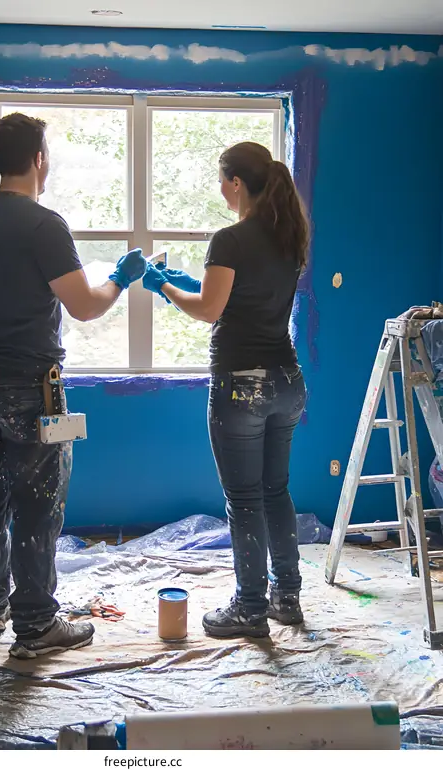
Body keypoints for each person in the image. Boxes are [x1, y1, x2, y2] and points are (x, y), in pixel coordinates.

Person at [0, 113, 146, 658]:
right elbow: (85, 306)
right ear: (38, 159)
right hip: (31, 388)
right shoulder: (43, 225)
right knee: (37, 504)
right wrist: (119, 279)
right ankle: (34, 627)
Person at [143, 142, 309, 639]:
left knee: (244, 498)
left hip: (242, 385)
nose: (220, 190)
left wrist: (164, 287)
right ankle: (287, 598)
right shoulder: (288, 235)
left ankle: (250, 609)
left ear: (237, 183)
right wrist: (183, 282)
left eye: (221, 180)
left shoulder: (230, 239)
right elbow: (238, 298)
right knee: (275, 490)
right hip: (286, 380)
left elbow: (209, 310)